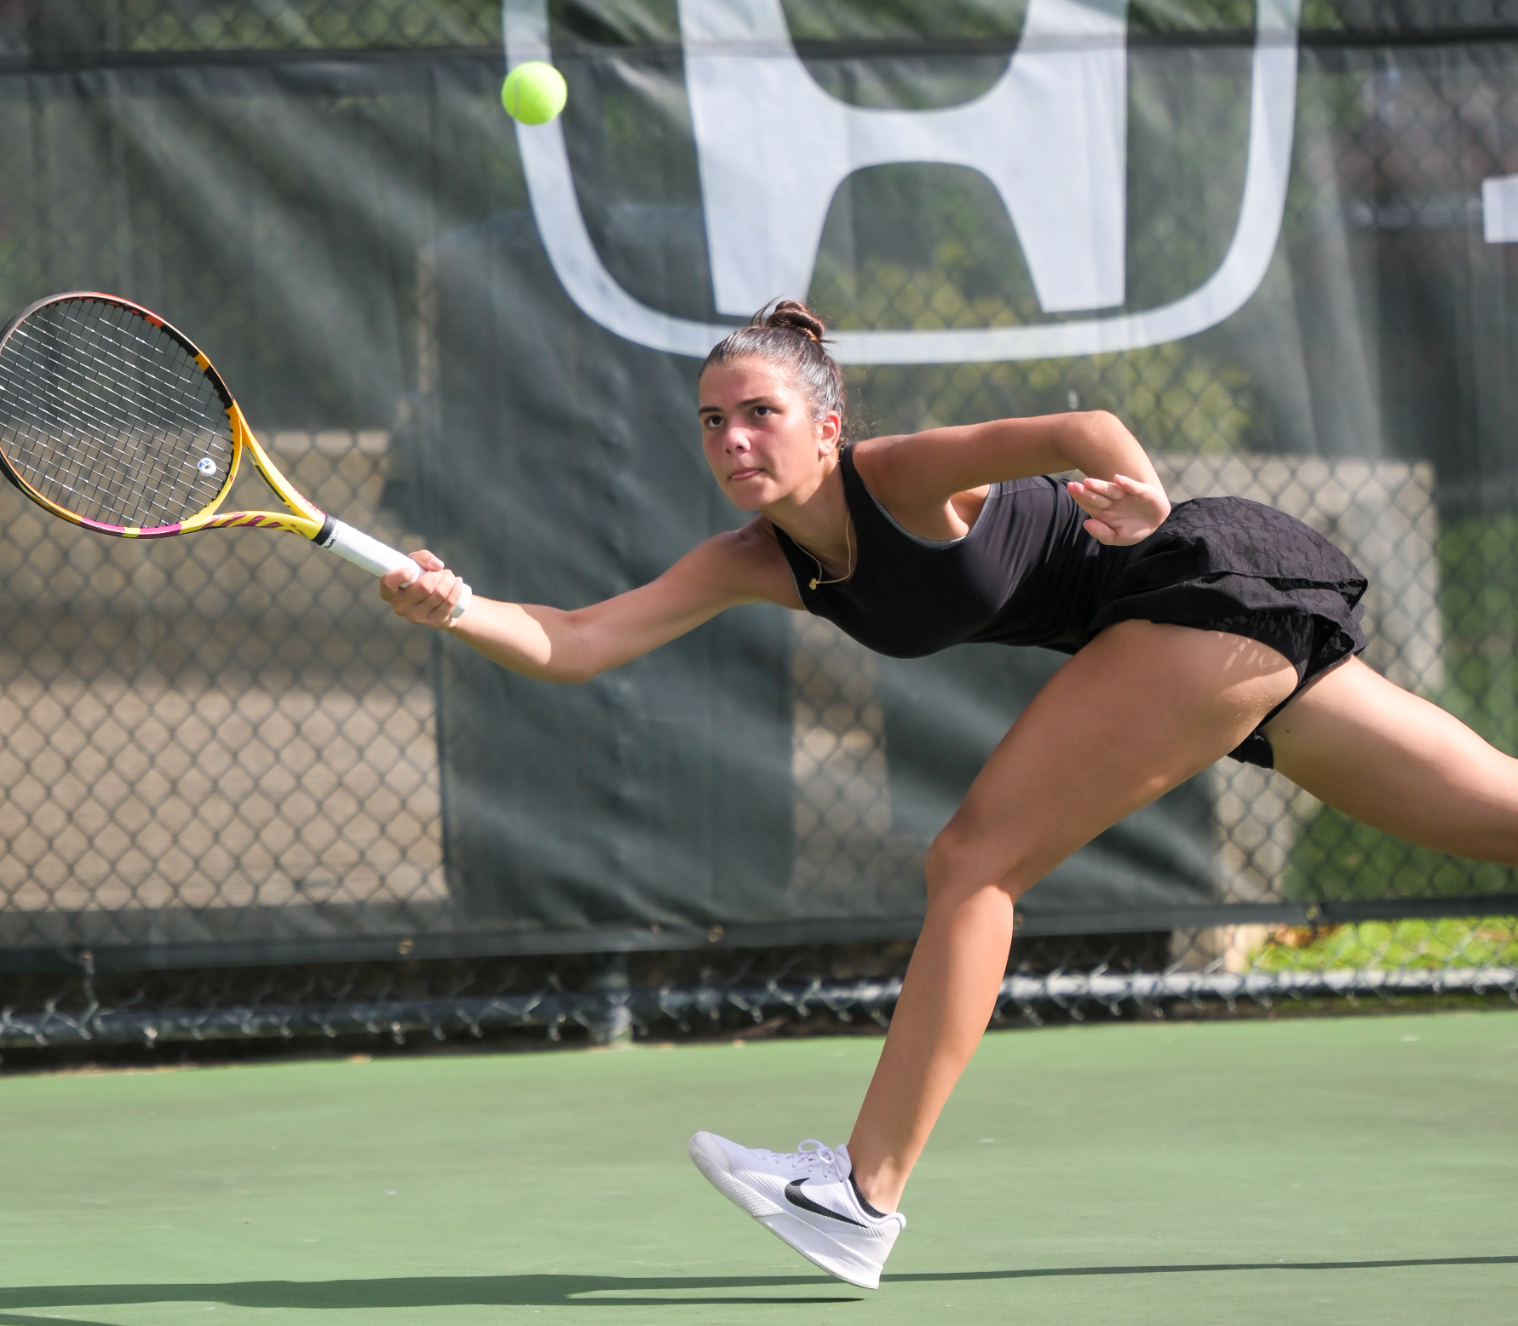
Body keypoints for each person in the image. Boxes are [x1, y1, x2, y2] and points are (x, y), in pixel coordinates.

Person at [381, 301, 1518, 1290]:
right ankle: (859, 1195)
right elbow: (579, 640)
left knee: (974, 861)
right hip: (1206, 636)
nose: (733, 439)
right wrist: (457, 608)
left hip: (1202, 590)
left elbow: (1082, 429)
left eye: (760, 414)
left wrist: (1147, 509)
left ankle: (859, 1196)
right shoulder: (754, 558)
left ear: (828, 426)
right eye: (713, 421)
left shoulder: (895, 476)